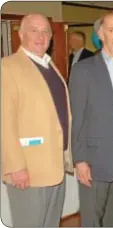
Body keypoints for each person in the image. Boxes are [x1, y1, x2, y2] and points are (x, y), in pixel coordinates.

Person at [68, 11, 113, 227]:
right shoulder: (83, 70)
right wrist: (80, 159)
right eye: (111, 30)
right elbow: (77, 117)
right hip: (94, 155)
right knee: (92, 216)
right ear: (101, 34)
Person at [1, 13, 73, 227]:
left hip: (55, 166)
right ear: (21, 34)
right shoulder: (7, 67)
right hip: (28, 171)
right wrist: (16, 167)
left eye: (46, 31)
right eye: (34, 30)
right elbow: (4, 122)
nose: (41, 36)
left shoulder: (50, 66)